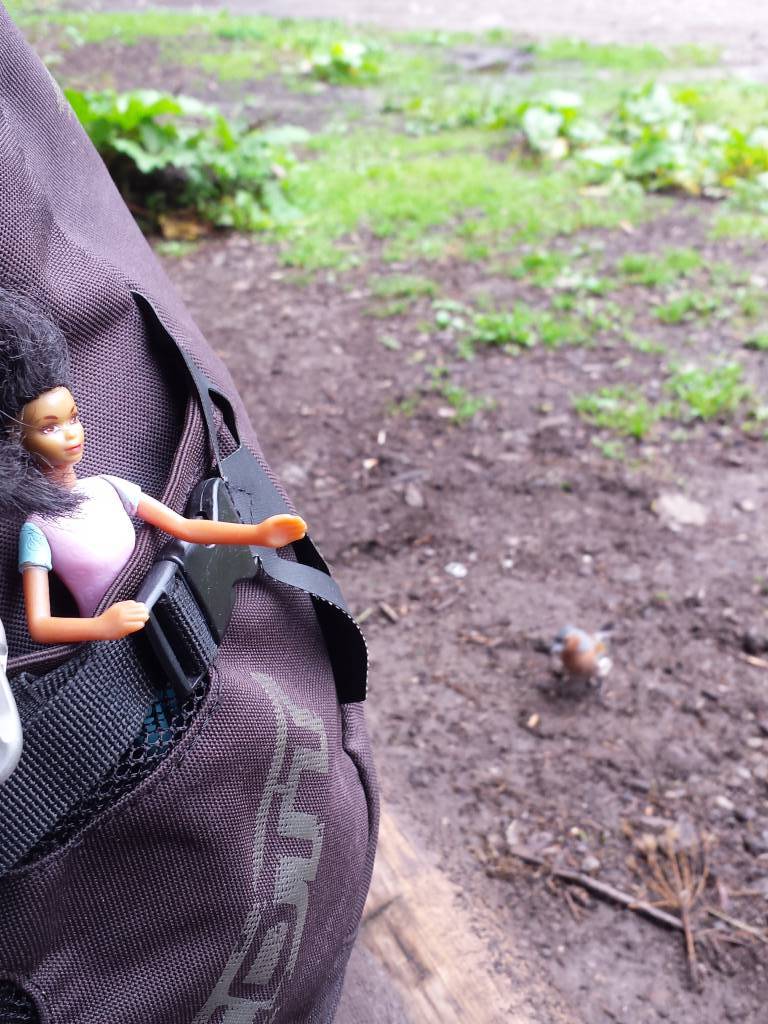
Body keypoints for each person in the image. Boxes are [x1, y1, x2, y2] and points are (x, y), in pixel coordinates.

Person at [0, 287, 307, 646]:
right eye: (50, 427)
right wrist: (103, 626)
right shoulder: (37, 530)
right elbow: (41, 625)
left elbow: (185, 528)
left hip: (170, 615)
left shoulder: (108, 488)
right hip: (113, 651)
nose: (71, 434)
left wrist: (258, 534)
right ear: (18, 440)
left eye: (73, 418)